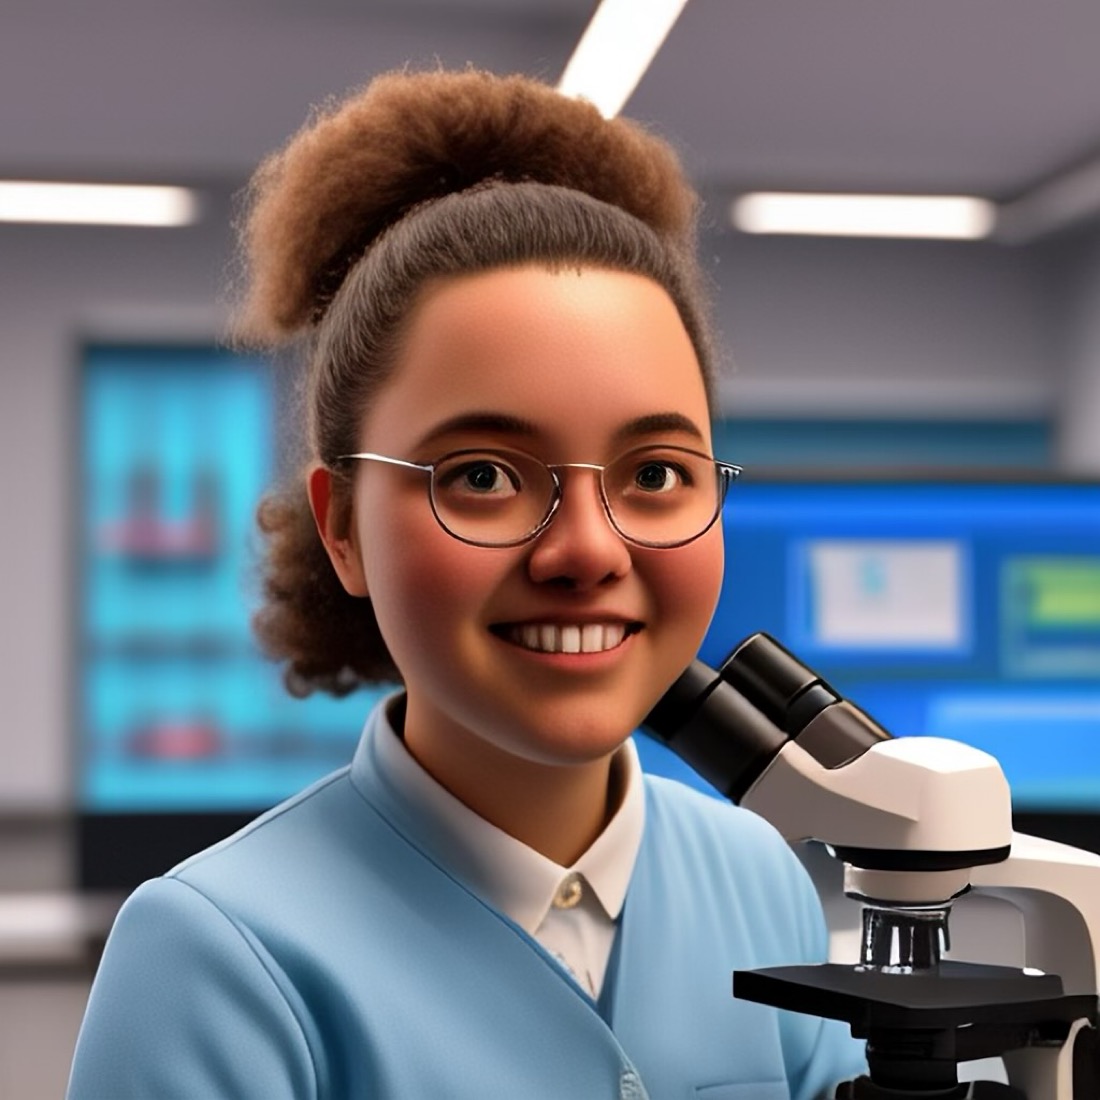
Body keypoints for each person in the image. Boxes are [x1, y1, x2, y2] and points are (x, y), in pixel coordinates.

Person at [67, 69, 867, 1099]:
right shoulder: (215, 955)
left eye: (655, 474)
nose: (586, 549)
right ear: (342, 527)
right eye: (482, 476)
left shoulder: (760, 877)